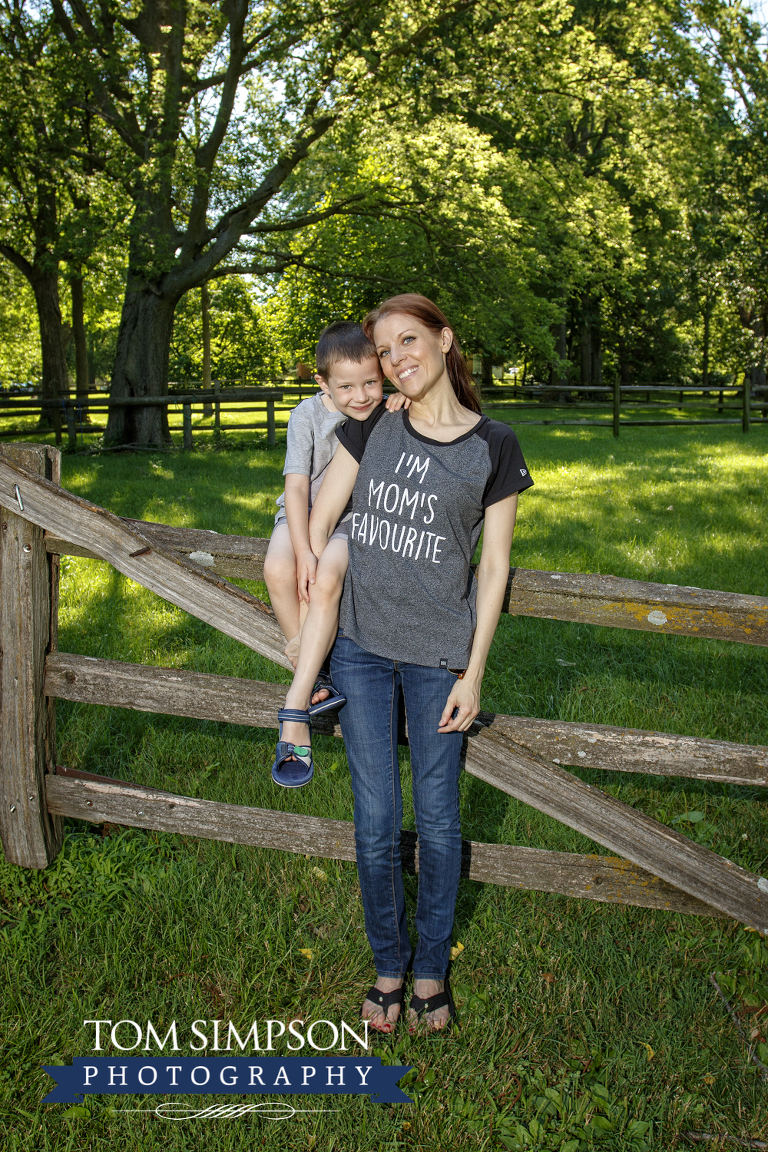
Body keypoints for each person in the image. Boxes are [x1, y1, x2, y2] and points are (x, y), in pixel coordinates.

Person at [309, 294, 533, 1031]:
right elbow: (319, 516)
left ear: (443, 338)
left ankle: (430, 965)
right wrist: (313, 591)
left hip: (440, 658)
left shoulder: (494, 444)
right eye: (384, 349)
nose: (396, 357)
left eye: (409, 339)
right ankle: (386, 965)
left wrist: (474, 672)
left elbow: (494, 568)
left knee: (437, 823)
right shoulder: (372, 424)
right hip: (362, 652)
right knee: (375, 821)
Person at [263, 321, 405, 788]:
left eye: (371, 382)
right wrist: (303, 549)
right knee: (279, 567)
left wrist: (399, 399)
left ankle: (302, 692)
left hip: (353, 519)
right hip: (302, 514)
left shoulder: (384, 411)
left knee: (324, 575)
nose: (360, 396)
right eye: (346, 386)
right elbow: (297, 483)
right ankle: (310, 661)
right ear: (322, 383)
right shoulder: (307, 416)